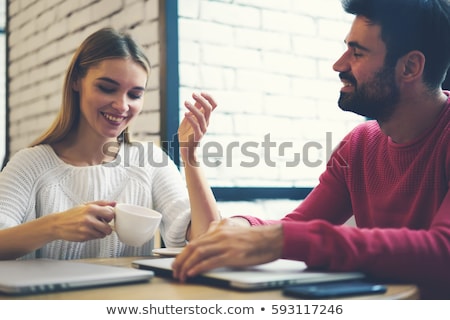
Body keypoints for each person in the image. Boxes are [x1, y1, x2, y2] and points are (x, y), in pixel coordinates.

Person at [172, 0, 450, 299]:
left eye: (357, 53)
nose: (339, 65)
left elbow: (442, 251)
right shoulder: (359, 144)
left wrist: (278, 239)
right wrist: (242, 227)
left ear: (410, 67)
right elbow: (299, 226)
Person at [0, 28, 219, 260]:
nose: (122, 105)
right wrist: (54, 226)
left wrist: (190, 156)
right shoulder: (31, 164)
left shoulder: (150, 163)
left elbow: (209, 240)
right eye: (106, 88)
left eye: (134, 95)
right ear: (76, 81)